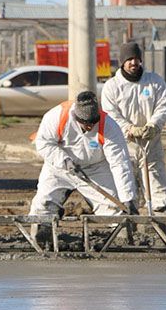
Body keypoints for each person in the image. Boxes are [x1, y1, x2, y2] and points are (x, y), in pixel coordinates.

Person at [29, 91, 137, 244]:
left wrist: (128, 198)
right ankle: (42, 235)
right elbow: (44, 143)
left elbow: (120, 163)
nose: (89, 126)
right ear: (76, 117)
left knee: (113, 206)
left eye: (93, 123)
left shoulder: (109, 126)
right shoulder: (57, 116)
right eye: (85, 123)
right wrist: (64, 161)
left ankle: (120, 238)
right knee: (44, 202)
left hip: (95, 167)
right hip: (60, 168)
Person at [101, 41, 166, 214]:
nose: (133, 62)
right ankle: (129, 216)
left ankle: (161, 216)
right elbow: (110, 113)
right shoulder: (112, 86)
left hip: (151, 142)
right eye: (129, 59)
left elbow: (163, 105)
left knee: (156, 179)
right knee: (126, 181)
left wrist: (153, 125)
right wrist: (129, 129)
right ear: (122, 61)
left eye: (136, 59)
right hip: (125, 144)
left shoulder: (154, 82)